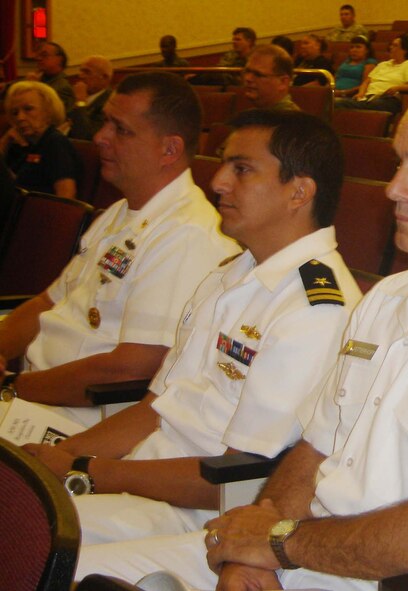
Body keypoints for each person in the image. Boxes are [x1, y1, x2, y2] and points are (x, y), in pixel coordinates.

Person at [73, 72, 408, 591]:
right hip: (296, 553)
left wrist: (279, 544)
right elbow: (313, 450)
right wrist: (252, 559)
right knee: (61, 564)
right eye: (401, 163)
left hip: (374, 578)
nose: (395, 188)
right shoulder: (389, 299)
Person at [26, 108, 361, 555]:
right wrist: (62, 457)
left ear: (298, 192)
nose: (218, 181)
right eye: (224, 165)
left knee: (26, 541)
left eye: (241, 169)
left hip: (202, 518)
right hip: (141, 477)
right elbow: (156, 409)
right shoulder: (233, 273)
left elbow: (241, 478)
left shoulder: (316, 309)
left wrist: (87, 469)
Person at [0, 72, 240, 427]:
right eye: (105, 123)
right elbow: (49, 302)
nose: (100, 138)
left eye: (121, 130)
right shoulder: (119, 212)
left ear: (169, 149)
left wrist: (13, 387)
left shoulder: (186, 236)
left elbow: (129, 369)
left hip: (78, 418)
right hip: (34, 393)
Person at [1, 81, 80, 198]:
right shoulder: (28, 144)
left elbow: (66, 198)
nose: (20, 117)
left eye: (28, 109)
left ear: (48, 111)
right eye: (15, 113)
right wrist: (6, 139)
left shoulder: (55, 143)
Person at [335, 34, 408, 114]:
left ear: (405, 50)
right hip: (369, 97)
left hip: (388, 99)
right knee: (338, 103)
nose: (390, 47)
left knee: (370, 105)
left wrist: (397, 88)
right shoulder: (383, 64)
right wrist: (360, 93)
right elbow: (367, 82)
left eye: (395, 45)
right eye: (391, 45)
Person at [69, 55, 114, 141]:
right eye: (81, 70)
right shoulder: (75, 93)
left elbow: (84, 135)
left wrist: (80, 102)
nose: (80, 76)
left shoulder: (109, 103)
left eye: (87, 72)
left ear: (105, 78)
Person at [242, 45, 299, 110]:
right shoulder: (255, 113)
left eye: (258, 74)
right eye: (247, 71)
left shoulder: (290, 118)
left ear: (283, 82)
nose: (248, 78)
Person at [28, 41, 75, 115]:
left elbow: (45, 113)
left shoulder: (62, 86)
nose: (39, 58)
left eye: (44, 55)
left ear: (59, 59)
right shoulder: (38, 77)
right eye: (38, 55)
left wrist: (33, 87)